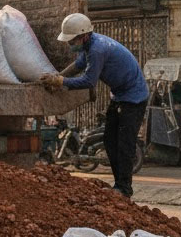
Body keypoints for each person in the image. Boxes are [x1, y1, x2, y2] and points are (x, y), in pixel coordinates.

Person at [42, 13, 149, 198]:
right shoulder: (89, 46)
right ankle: (118, 185)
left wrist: (61, 82)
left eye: (72, 40)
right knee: (109, 140)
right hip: (119, 96)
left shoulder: (97, 49)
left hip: (134, 99)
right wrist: (57, 76)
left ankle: (124, 189)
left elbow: (89, 81)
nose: (70, 44)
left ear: (84, 36)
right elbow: (77, 66)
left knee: (125, 144)